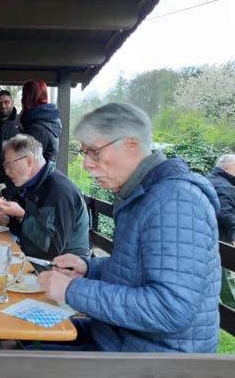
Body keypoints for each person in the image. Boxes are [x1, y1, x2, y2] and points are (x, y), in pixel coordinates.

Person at [39, 103, 221, 353]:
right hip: (118, 336)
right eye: (85, 154)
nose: (87, 165)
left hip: (156, 358)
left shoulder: (176, 201)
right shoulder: (144, 195)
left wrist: (72, 290)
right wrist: (88, 267)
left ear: (130, 145)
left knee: (14, 364)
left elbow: (171, 309)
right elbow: (137, 268)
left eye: (94, 152)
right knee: (25, 338)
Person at [0, 134, 89, 262]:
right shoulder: (36, 185)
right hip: (36, 261)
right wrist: (10, 222)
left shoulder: (58, 190)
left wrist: (22, 215)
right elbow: (34, 233)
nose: (6, 171)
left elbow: (52, 248)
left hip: (63, 270)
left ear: (29, 161)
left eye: (9, 165)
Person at [20, 79, 62, 163]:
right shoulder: (47, 120)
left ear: (28, 97)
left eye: (23, 95)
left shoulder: (36, 129)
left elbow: (26, 164)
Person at [207, 154, 235, 244]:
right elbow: (226, 215)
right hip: (220, 237)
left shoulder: (209, 179)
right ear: (227, 169)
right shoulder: (223, 186)